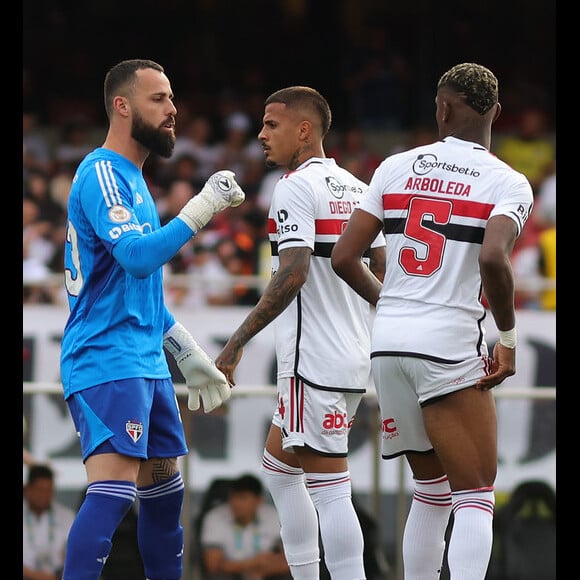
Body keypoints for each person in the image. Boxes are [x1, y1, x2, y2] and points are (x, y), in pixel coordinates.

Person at [331, 63, 534, 579]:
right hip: (447, 344)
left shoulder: (393, 168)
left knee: (430, 491)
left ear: (441, 108)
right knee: (474, 495)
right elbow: (493, 259)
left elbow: (344, 257)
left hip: (390, 343)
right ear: (496, 113)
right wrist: (507, 340)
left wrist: (395, 306)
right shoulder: (508, 183)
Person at [59, 58, 245, 580]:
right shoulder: (102, 173)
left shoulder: (134, 179)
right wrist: (201, 206)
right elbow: (139, 257)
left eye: (171, 98)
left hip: (147, 362)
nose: (172, 109)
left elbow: (143, 295)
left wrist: (191, 358)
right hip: (106, 359)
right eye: (158, 99)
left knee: (166, 494)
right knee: (114, 492)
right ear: (122, 106)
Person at [215, 86, 386, 580]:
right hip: (350, 355)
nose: (261, 136)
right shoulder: (357, 187)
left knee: (331, 489)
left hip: (312, 361)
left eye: (271, 125)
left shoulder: (293, 186)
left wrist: (236, 342)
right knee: (279, 470)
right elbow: (378, 265)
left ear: (304, 130)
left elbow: (292, 273)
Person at [199, 473, 292, 580]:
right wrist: (252, 564)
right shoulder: (214, 518)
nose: (236, 503)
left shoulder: (274, 517)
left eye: (243, 498)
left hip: (266, 574)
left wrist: (260, 572)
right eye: (233, 497)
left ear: (258, 501)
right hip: (231, 575)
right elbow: (213, 565)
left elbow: (288, 561)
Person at [23, 464, 76, 580]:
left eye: (49, 490)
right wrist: (35, 576)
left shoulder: (66, 515)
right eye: (40, 490)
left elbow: (73, 552)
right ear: (27, 489)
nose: (44, 495)